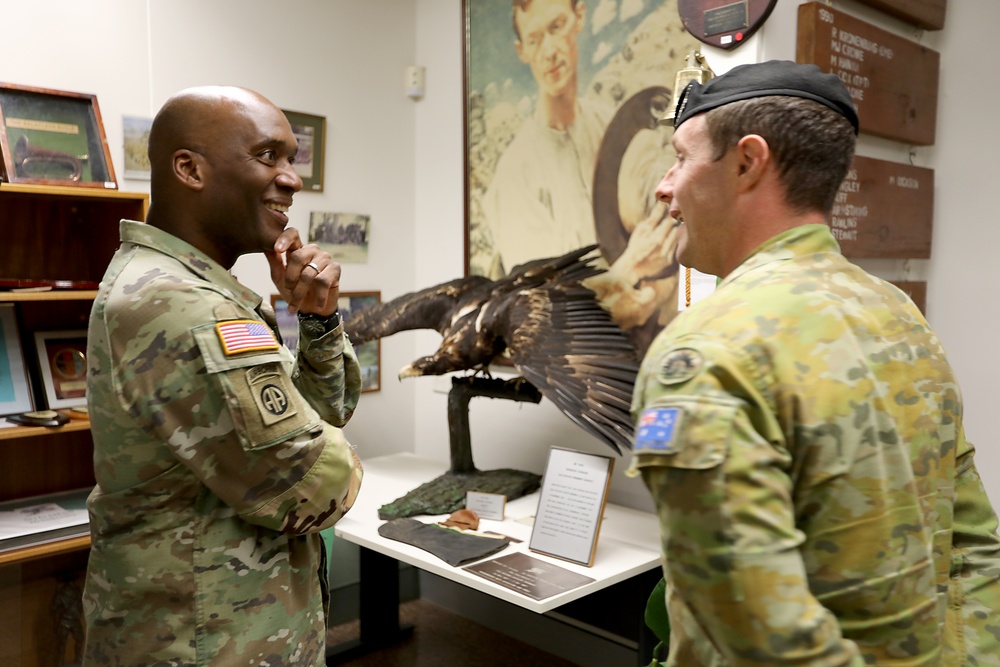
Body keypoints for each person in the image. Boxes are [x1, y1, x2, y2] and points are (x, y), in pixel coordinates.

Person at [628, 60, 1000, 665]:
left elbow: (759, 637)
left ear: (747, 162)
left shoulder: (708, 351)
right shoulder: (898, 313)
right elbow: (973, 544)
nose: (665, 186)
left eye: (681, 158)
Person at [82, 86, 364, 665]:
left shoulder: (206, 292)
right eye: (268, 156)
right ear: (189, 168)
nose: (292, 179)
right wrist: (330, 449)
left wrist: (315, 319)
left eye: (292, 159)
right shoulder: (178, 303)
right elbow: (313, 488)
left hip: (237, 626)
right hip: (203, 639)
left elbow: (327, 414)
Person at [482, 0, 682, 356]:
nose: (549, 52)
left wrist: (660, 284)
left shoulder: (612, 126)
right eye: (534, 39)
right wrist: (631, 267)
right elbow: (540, 314)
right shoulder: (515, 177)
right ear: (521, 51)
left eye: (557, 26)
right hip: (584, 371)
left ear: (579, 18)